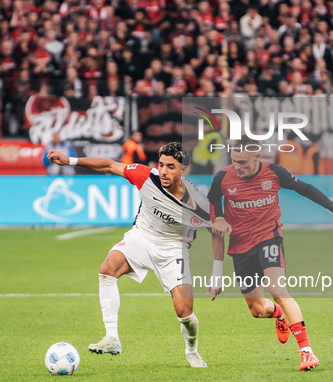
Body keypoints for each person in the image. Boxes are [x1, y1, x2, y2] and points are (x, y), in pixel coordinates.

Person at [47, 142, 211, 368]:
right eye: (161, 164)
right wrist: (71, 161)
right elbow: (109, 165)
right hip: (142, 237)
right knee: (107, 269)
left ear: (183, 170)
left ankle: (192, 351)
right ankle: (112, 337)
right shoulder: (146, 176)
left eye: (171, 167)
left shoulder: (198, 203)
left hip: (174, 248)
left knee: (185, 310)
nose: (163, 171)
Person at [207, 137, 333, 371]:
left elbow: (305, 189)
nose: (238, 166)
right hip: (240, 247)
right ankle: (279, 314)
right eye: (234, 161)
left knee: (277, 289)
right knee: (257, 310)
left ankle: (307, 352)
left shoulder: (274, 172)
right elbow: (213, 202)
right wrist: (221, 218)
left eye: (243, 162)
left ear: (257, 157)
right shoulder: (223, 178)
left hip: (269, 237)